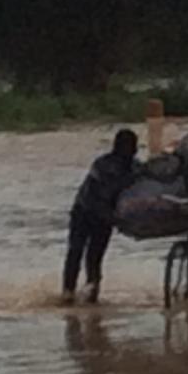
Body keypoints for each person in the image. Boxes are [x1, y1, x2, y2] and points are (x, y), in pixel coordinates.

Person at [62, 129, 140, 305]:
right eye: (126, 147)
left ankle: (92, 294)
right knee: (76, 250)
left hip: (105, 217)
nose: (129, 151)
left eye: (131, 147)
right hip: (84, 211)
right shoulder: (102, 165)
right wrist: (113, 217)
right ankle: (68, 292)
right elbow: (97, 194)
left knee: (95, 256)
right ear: (116, 148)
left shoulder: (135, 168)